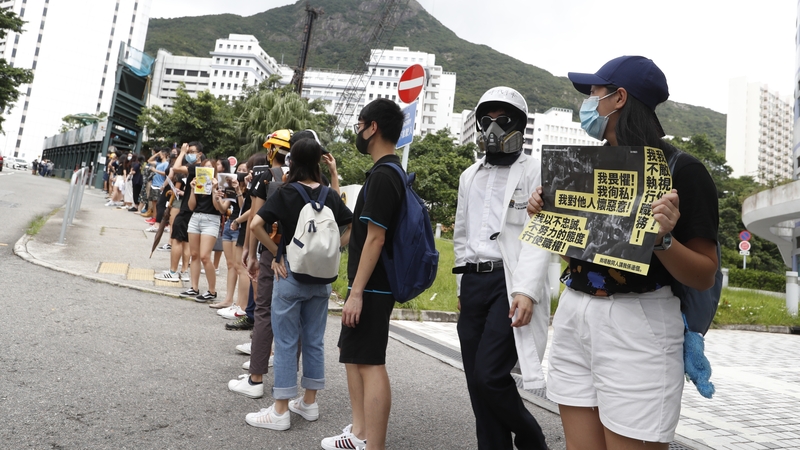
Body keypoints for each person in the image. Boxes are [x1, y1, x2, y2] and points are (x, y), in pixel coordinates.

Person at [527, 55, 719, 450]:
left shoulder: (682, 170)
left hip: (639, 324)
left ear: (619, 98)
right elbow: (579, 259)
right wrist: (550, 219)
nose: (588, 101)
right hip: (574, 312)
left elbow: (704, 274)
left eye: (594, 92)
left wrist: (662, 239)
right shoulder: (584, 168)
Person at [453, 86, 550, 450]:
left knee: (490, 375)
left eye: (503, 119)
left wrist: (527, 290)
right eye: (487, 119)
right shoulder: (469, 176)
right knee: (475, 382)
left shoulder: (536, 170)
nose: (493, 127)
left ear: (519, 126)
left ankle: (531, 438)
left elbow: (542, 233)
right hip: (473, 281)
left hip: (509, 281)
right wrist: (461, 288)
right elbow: (461, 234)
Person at [244, 137, 352, 431]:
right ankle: (309, 403)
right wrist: (335, 249)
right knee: (314, 341)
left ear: (292, 161)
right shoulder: (329, 195)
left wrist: (277, 255)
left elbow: (256, 224)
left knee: (286, 342)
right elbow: (353, 225)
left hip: (291, 275)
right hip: (322, 280)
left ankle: (280, 411)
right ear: (317, 162)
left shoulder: (286, 191)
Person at [321, 98, 405, 450]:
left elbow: (376, 237)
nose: (357, 131)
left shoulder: (385, 176)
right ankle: (359, 432)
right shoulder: (386, 172)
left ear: (373, 127)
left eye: (359, 125)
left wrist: (356, 292)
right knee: (354, 354)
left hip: (372, 286)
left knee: (370, 362)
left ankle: (372, 443)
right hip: (370, 284)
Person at [186, 155, 222, 302]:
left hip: (211, 220)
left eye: (210, 168)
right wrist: (192, 189)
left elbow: (218, 208)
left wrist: (214, 189)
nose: (206, 170)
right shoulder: (198, 183)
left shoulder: (219, 185)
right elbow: (191, 206)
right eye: (204, 167)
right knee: (194, 254)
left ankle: (212, 291)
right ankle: (194, 287)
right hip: (195, 218)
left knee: (205, 256)